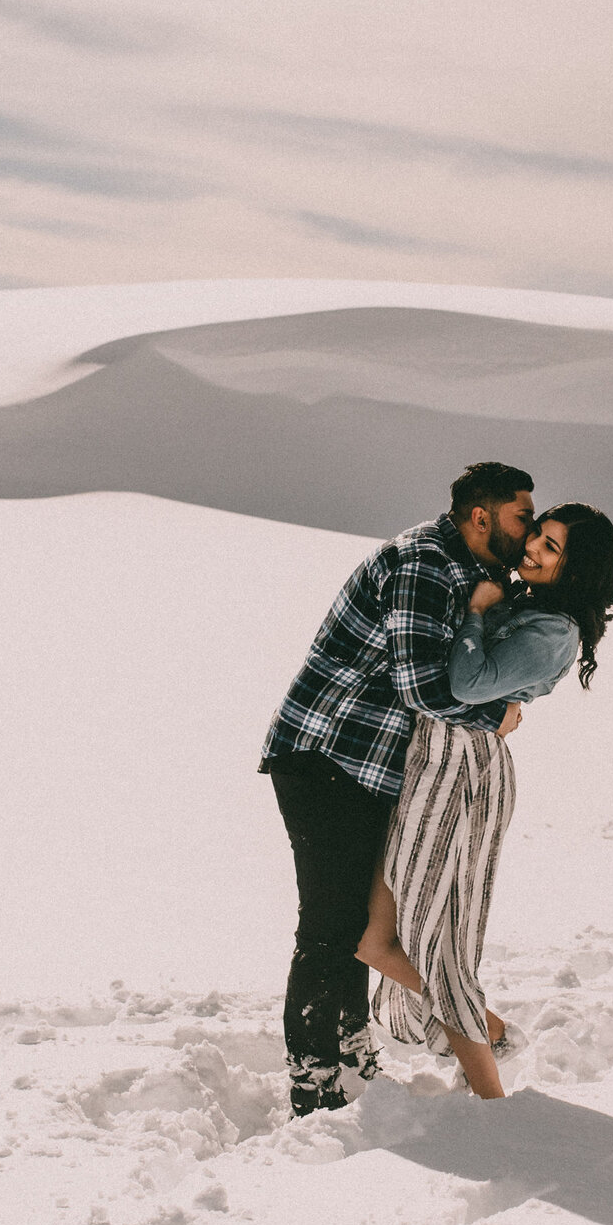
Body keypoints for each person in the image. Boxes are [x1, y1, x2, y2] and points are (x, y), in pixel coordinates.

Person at [259, 463, 537, 1116]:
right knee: (328, 925)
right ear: (481, 516)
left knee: (356, 918)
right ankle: (313, 1080)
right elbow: (421, 684)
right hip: (323, 754)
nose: (528, 527)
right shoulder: (423, 564)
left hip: (373, 766)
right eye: (521, 514)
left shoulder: (472, 574)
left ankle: (352, 1051)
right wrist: (496, 716)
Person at [355, 502, 613, 1099]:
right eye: (538, 536)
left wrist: (476, 615)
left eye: (552, 548)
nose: (533, 549)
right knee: (372, 936)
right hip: (431, 763)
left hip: (465, 775)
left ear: (576, 569)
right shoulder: (526, 603)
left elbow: (468, 684)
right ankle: (492, 1030)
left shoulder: (556, 631)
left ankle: (493, 1102)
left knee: (436, 939)